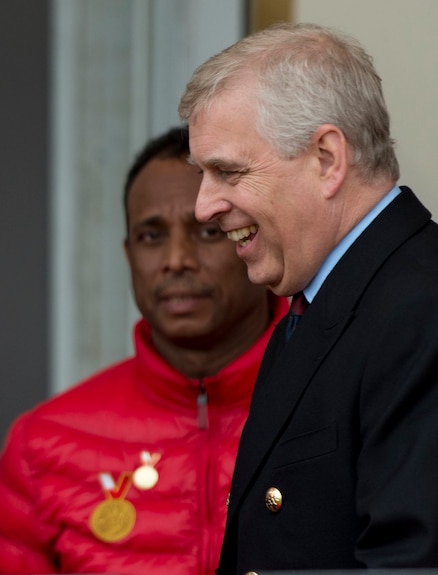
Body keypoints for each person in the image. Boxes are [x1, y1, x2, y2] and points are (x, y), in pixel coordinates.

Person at [179, 23, 438, 572]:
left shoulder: (420, 310)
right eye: (202, 175)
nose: (203, 207)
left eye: (228, 172)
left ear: (327, 158)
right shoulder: (324, 304)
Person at [0, 127, 287, 575]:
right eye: (151, 236)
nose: (176, 259)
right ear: (128, 255)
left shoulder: (340, 411)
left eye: (207, 230)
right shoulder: (42, 444)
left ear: (253, 238)